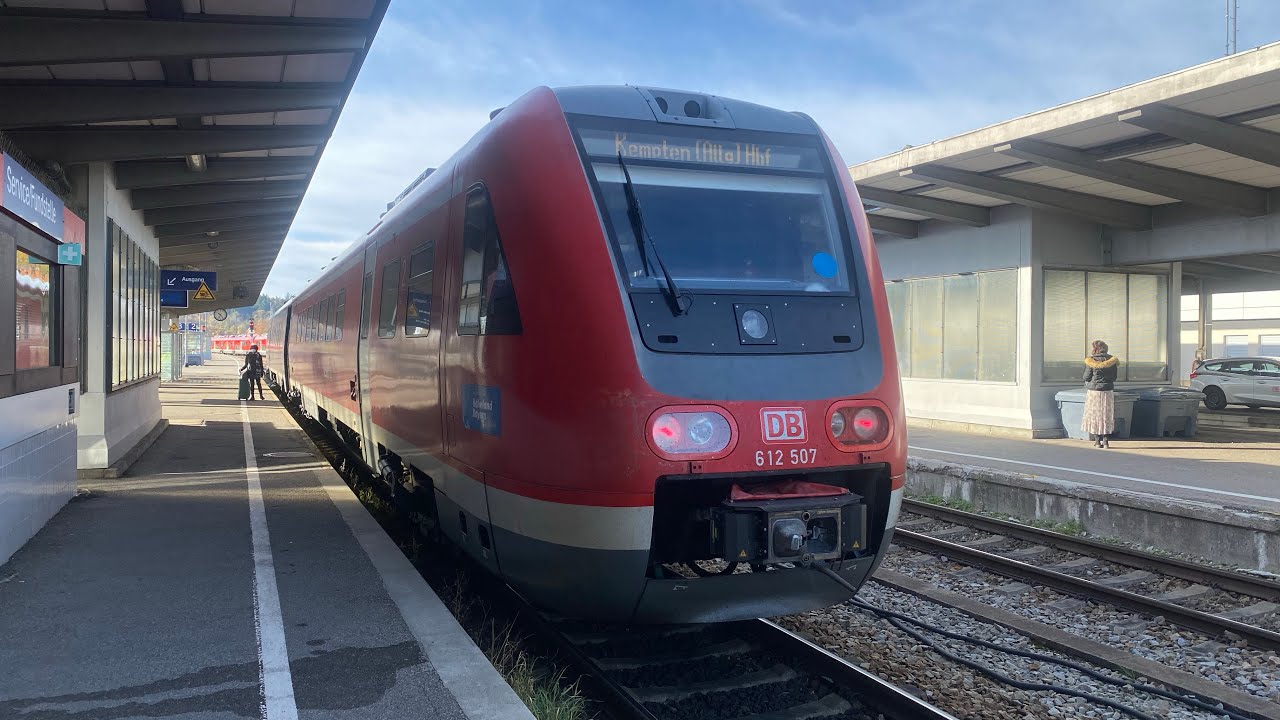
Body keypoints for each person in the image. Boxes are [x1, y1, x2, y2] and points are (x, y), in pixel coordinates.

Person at [1082, 340, 1120, 448]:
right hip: (1107, 391)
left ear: (1094, 349)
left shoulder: (1091, 361)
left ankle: (1097, 441)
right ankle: (1106, 441)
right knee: (1106, 416)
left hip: (1094, 392)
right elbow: (1114, 378)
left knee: (1095, 415)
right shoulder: (1112, 361)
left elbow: (1086, 377)